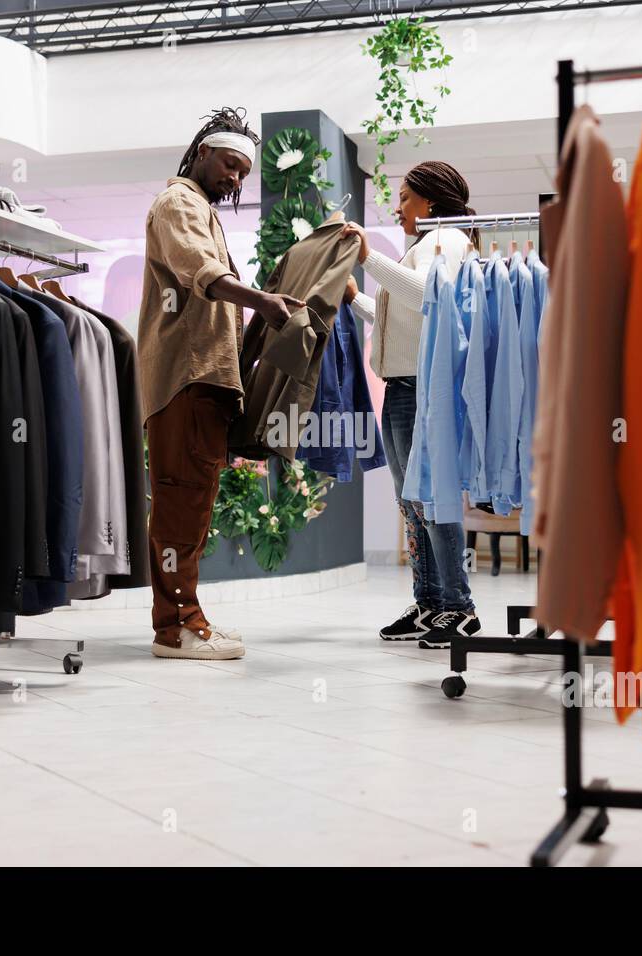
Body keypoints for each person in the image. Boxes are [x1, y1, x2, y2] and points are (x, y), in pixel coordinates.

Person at [137, 107, 304, 660]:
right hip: (185, 379)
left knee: (194, 504)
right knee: (182, 504)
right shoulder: (178, 203)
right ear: (202, 152)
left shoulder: (202, 211)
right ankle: (175, 627)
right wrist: (261, 301)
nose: (235, 178)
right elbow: (203, 275)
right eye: (230, 164)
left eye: (243, 172)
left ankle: (189, 617)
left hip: (204, 381)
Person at [339, 161, 481, 647]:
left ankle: (459, 608)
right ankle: (430, 603)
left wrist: (370, 259)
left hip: (423, 389)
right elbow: (400, 323)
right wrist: (359, 297)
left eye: (404, 197)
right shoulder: (422, 247)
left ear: (431, 202)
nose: (397, 207)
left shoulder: (447, 240)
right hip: (403, 387)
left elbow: (429, 296)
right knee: (412, 502)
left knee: (431, 499)